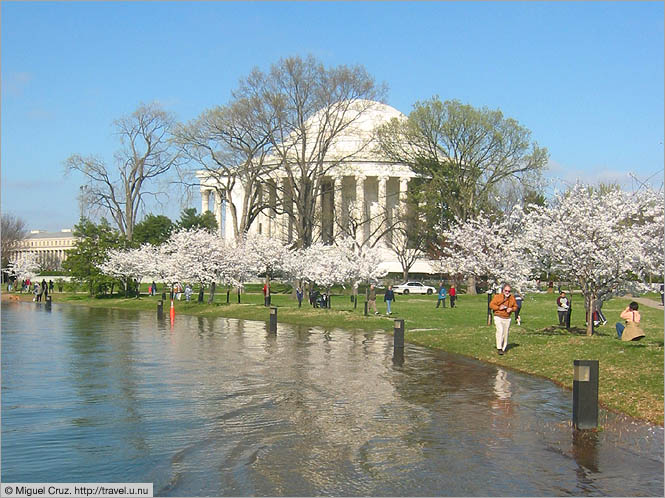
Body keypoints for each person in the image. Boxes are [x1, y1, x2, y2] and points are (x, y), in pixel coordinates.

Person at [489, 283, 518, 355]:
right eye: (506, 290)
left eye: (509, 291)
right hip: (498, 316)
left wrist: (511, 309)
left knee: (505, 333)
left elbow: (516, 307)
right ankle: (499, 348)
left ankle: (503, 348)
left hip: (507, 317)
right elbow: (491, 305)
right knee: (500, 331)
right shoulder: (498, 297)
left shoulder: (512, 298)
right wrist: (499, 308)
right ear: (503, 290)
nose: (507, 292)